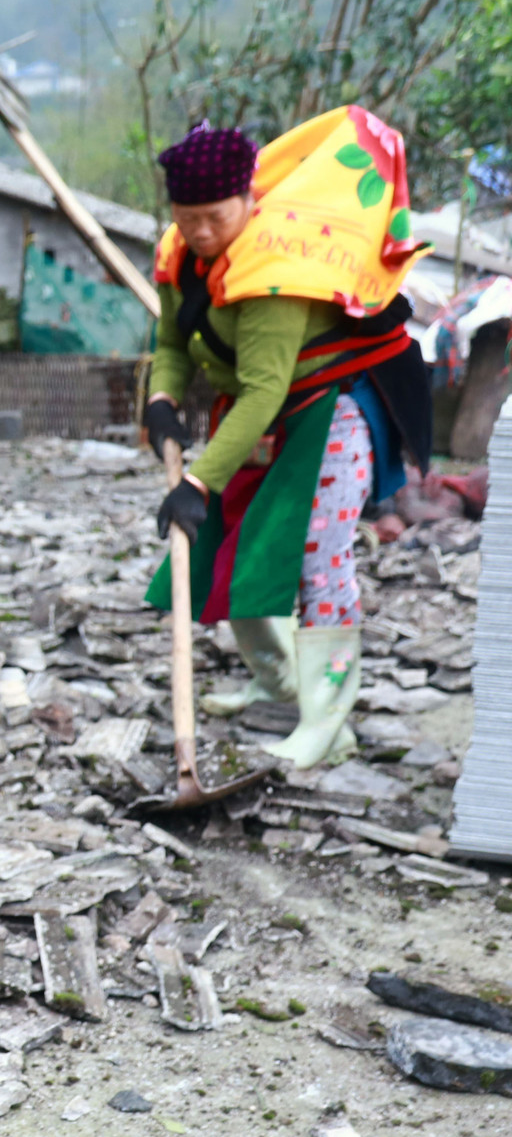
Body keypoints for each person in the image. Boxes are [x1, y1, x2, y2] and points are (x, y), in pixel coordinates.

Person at [143, 113, 430, 769]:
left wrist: (197, 480)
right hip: (256, 415)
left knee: (317, 553)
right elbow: (169, 344)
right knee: (237, 539)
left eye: (216, 216)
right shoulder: (183, 254)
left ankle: (328, 723)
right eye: (188, 219)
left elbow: (265, 389)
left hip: (333, 406)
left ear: (248, 199)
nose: (202, 232)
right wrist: (161, 401)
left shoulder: (276, 263)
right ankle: (277, 683)